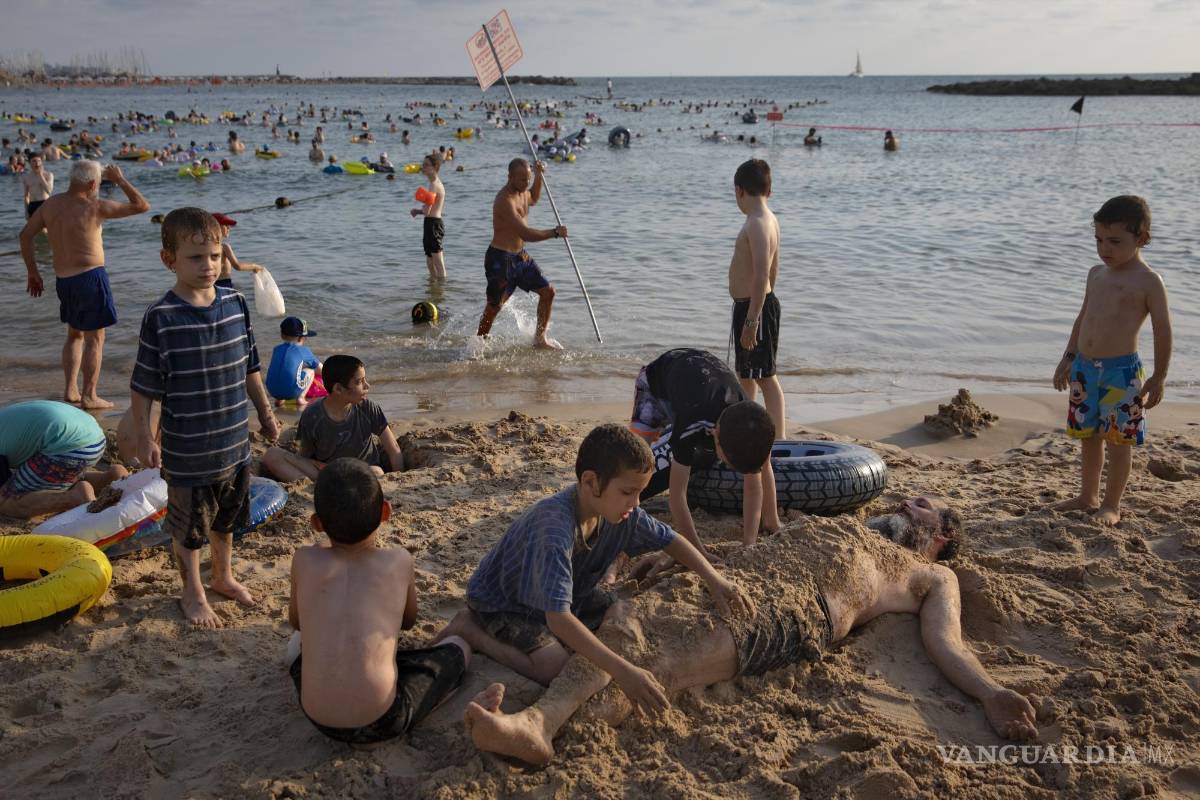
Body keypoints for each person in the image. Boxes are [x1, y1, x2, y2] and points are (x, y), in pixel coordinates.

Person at [465, 497, 1040, 766]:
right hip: (740, 581)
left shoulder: (931, 573)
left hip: (792, 613)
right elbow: (761, 548)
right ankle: (534, 724)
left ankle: (538, 726)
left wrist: (989, 693)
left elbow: (946, 640)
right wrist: (691, 564)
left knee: (661, 668)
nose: (908, 504)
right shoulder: (848, 526)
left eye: (925, 509)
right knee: (628, 621)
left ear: (939, 538)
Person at [434, 424, 754, 696]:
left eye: (640, 493)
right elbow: (558, 618)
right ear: (590, 482)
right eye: (628, 492)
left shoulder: (621, 513)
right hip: (506, 603)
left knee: (623, 612)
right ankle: (470, 629)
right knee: (554, 667)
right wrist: (625, 672)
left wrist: (715, 579)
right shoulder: (555, 528)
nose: (635, 503)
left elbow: (670, 539)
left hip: (573, 592)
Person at [130, 207, 280, 628]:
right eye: (196, 258)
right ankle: (192, 592)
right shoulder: (162, 317)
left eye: (214, 256)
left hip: (234, 443)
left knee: (228, 517)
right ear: (169, 260)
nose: (208, 266)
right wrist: (145, 437)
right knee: (189, 528)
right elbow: (143, 388)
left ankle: (224, 576)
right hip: (188, 450)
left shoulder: (234, 303)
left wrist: (266, 413)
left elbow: (250, 366)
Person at [287, 458, 470, 744]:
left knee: (296, 647)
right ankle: (433, 700)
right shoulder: (398, 560)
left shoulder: (304, 559)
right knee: (458, 648)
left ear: (317, 524)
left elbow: (296, 623)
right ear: (386, 512)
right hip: (383, 718)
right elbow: (408, 622)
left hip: (316, 716)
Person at [1051, 195, 1172, 525]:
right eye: (1099, 240)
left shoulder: (1148, 281)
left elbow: (1162, 330)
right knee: (1088, 437)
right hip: (1085, 369)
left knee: (1119, 442)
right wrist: (1069, 357)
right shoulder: (1096, 273)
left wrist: (1159, 376)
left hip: (1121, 373)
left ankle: (1111, 505)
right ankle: (1087, 495)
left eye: (1115, 241)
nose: (1105, 248)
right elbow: (1083, 318)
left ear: (1142, 239)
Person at [19, 160, 150, 410]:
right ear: (92, 184)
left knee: (75, 334)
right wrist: (120, 179)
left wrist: (33, 273)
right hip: (90, 278)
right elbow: (142, 205)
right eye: (99, 184)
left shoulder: (50, 205)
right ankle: (90, 395)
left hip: (64, 280)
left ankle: (70, 390)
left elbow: (25, 236)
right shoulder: (94, 206)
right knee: (95, 338)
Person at [630, 348, 780, 550]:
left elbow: (754, 482)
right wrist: (698, 551)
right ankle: (628, 528)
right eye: (727, 461)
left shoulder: (752, 419)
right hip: (656, 383)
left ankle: (772, 520)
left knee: (750, 461)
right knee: (633, 463)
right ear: (716, 437)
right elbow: (677, 496)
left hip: (702, 375)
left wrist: (749, 543)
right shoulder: (692, 425)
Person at [261, 354, 405, 483]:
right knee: (272, 455)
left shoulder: (368, 408)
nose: (367, 385)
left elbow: (394, 449)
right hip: (327, 473)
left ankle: (327, 485)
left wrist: (399, 479)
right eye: (359, 382)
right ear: (338, 389)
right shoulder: (312, 415)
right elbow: (304, 456)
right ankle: (314, 486)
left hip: (363, 471)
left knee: (377, 472)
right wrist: (319, 466)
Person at [476, 158, 568, 349]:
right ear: (510, 176)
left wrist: (539, 176)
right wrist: (555, 233)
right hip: (500, 260)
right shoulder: (504, 200)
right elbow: (525, 233)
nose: (526, 184)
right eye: (522, 180)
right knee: (494, 307)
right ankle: (478, 343)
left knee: (548, 292)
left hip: (521, 257)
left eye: (528, 179)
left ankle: (540, 339)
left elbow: (533, 197)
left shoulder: (523, 191)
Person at [728, 159, 785, 443]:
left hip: (756, 308)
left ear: (739, 191)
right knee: (746, 374)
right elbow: (774, 270)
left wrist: (753, 319)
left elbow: (764, 273)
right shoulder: (766, 219)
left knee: (765, 376)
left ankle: (780, 438)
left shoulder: (759, 223)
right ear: (769, 190)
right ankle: (748, 428)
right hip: (751, 305)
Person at [0, 400, 127, 519]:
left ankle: (73, 497)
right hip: (94, 437)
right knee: (58, 476)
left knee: (6, 501)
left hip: (66, 447)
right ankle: (111, 477)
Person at [265, 316, 322, 407]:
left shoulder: (276, 349)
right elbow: (321, 369)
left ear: (282, 335)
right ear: (301, 338)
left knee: (281, 369)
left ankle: (279, 399)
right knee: (311, 371)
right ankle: (300, 398)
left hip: (272, 390)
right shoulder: (304, 350)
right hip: (292, 392)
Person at [410, 153, 447, 280]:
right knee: (430, 260)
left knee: (437, 262)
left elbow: (427, 211)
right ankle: (433, 287)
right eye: (423, 164)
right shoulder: (435, 184)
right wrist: (419, 211)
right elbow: (427, 211)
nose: (423, 167)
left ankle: (441, 290)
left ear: (435, 167)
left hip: (434, 225)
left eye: (426, 165)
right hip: (430, 223)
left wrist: (418, 209)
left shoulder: (434, 185)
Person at [211, 212, 263, 288]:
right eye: (225, 225)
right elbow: (238, 266)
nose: (229, 228)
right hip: (224, 284)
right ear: (215, 228)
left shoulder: (205, 248)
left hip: (211, 285)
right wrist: (254, 266)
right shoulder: (224, 247)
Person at [21, 154, 54, 219]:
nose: (37, 163)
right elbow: (26, 196)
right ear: (29, 163)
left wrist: (40, 175)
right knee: (33, 228)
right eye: (34, 161)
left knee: (45, 228)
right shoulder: (26, 177)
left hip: (44, 204)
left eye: (39, 161)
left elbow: (49, 191)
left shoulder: (48, 175)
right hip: (32, 205)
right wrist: (26, 211)